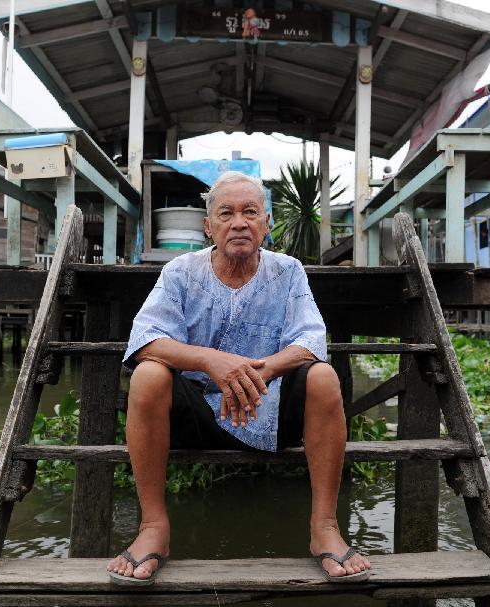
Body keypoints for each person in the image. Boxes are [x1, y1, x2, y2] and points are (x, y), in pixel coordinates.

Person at [106, 171, 371, 585]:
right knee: (148, 376)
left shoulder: (288, 271)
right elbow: (145, 340)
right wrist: (212, 362)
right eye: (226, 213)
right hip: (195, 418)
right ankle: (153, 527)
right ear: (208, 227)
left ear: (266, 223)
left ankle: (324, 527)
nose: (239, 222)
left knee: (322, 377)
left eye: (250, 212)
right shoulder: (181, 272)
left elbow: (311, 341)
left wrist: (256, 373)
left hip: (269, 410)